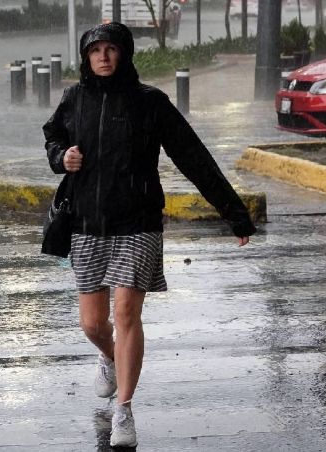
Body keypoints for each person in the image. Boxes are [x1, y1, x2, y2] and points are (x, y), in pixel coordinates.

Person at [42, 22, 256, 448]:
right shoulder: (74, 99)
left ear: (125, 53)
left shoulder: (149, 103)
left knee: (126, 315)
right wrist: (60, 156)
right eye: (95, 50)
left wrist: (235, 214)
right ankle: (108, 356)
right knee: (91, 324)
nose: (103, 56)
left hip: (138, 223)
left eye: (111, 49)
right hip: (87, 223)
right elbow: (53, 136)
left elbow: (193, 157)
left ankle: (124, 409)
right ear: (86, 57)